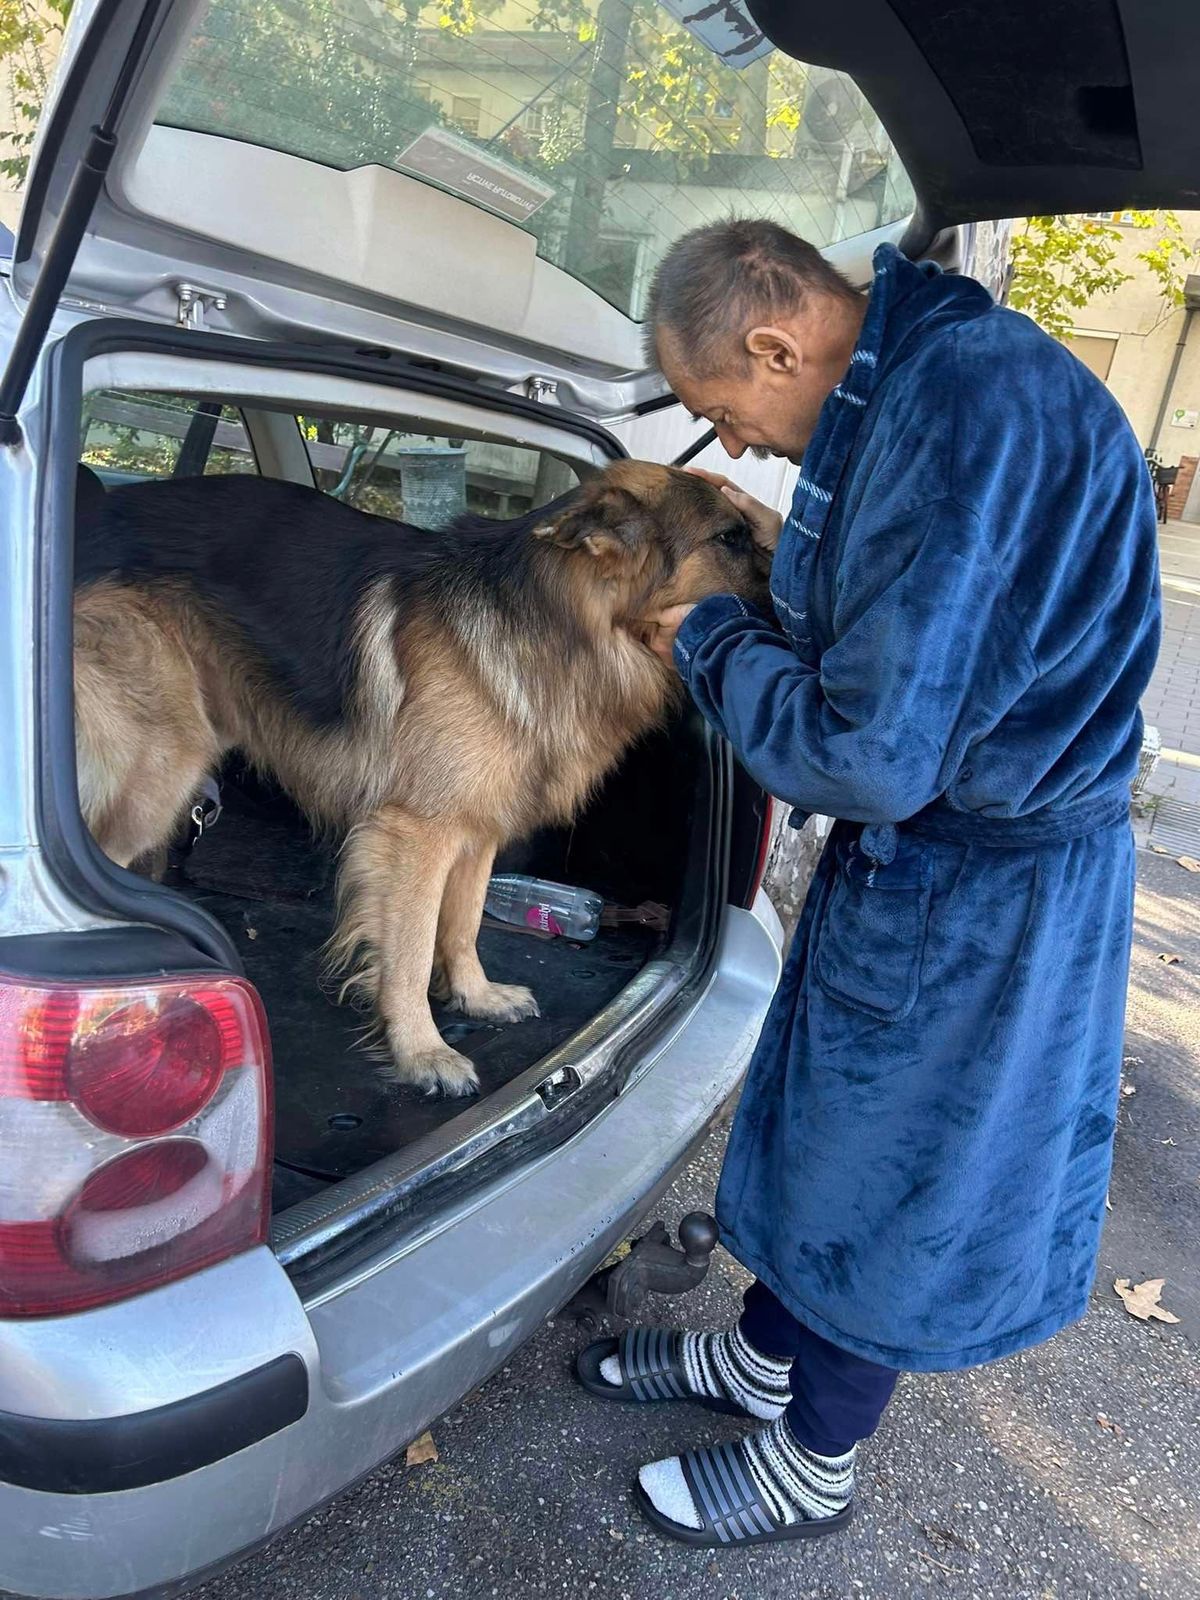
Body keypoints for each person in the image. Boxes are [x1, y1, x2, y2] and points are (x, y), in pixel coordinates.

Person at [572, 220, 1161, 1549]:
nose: (733, 447)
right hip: (933, 869)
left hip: (980, 896)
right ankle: (765, 1364)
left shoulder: (963, 415)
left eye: (727, 408)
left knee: (898, 1180)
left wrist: (715, 635)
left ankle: (813, 1463)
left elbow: (872, 752)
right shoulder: (917, 379)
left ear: (776, 344)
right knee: (824, 1145)